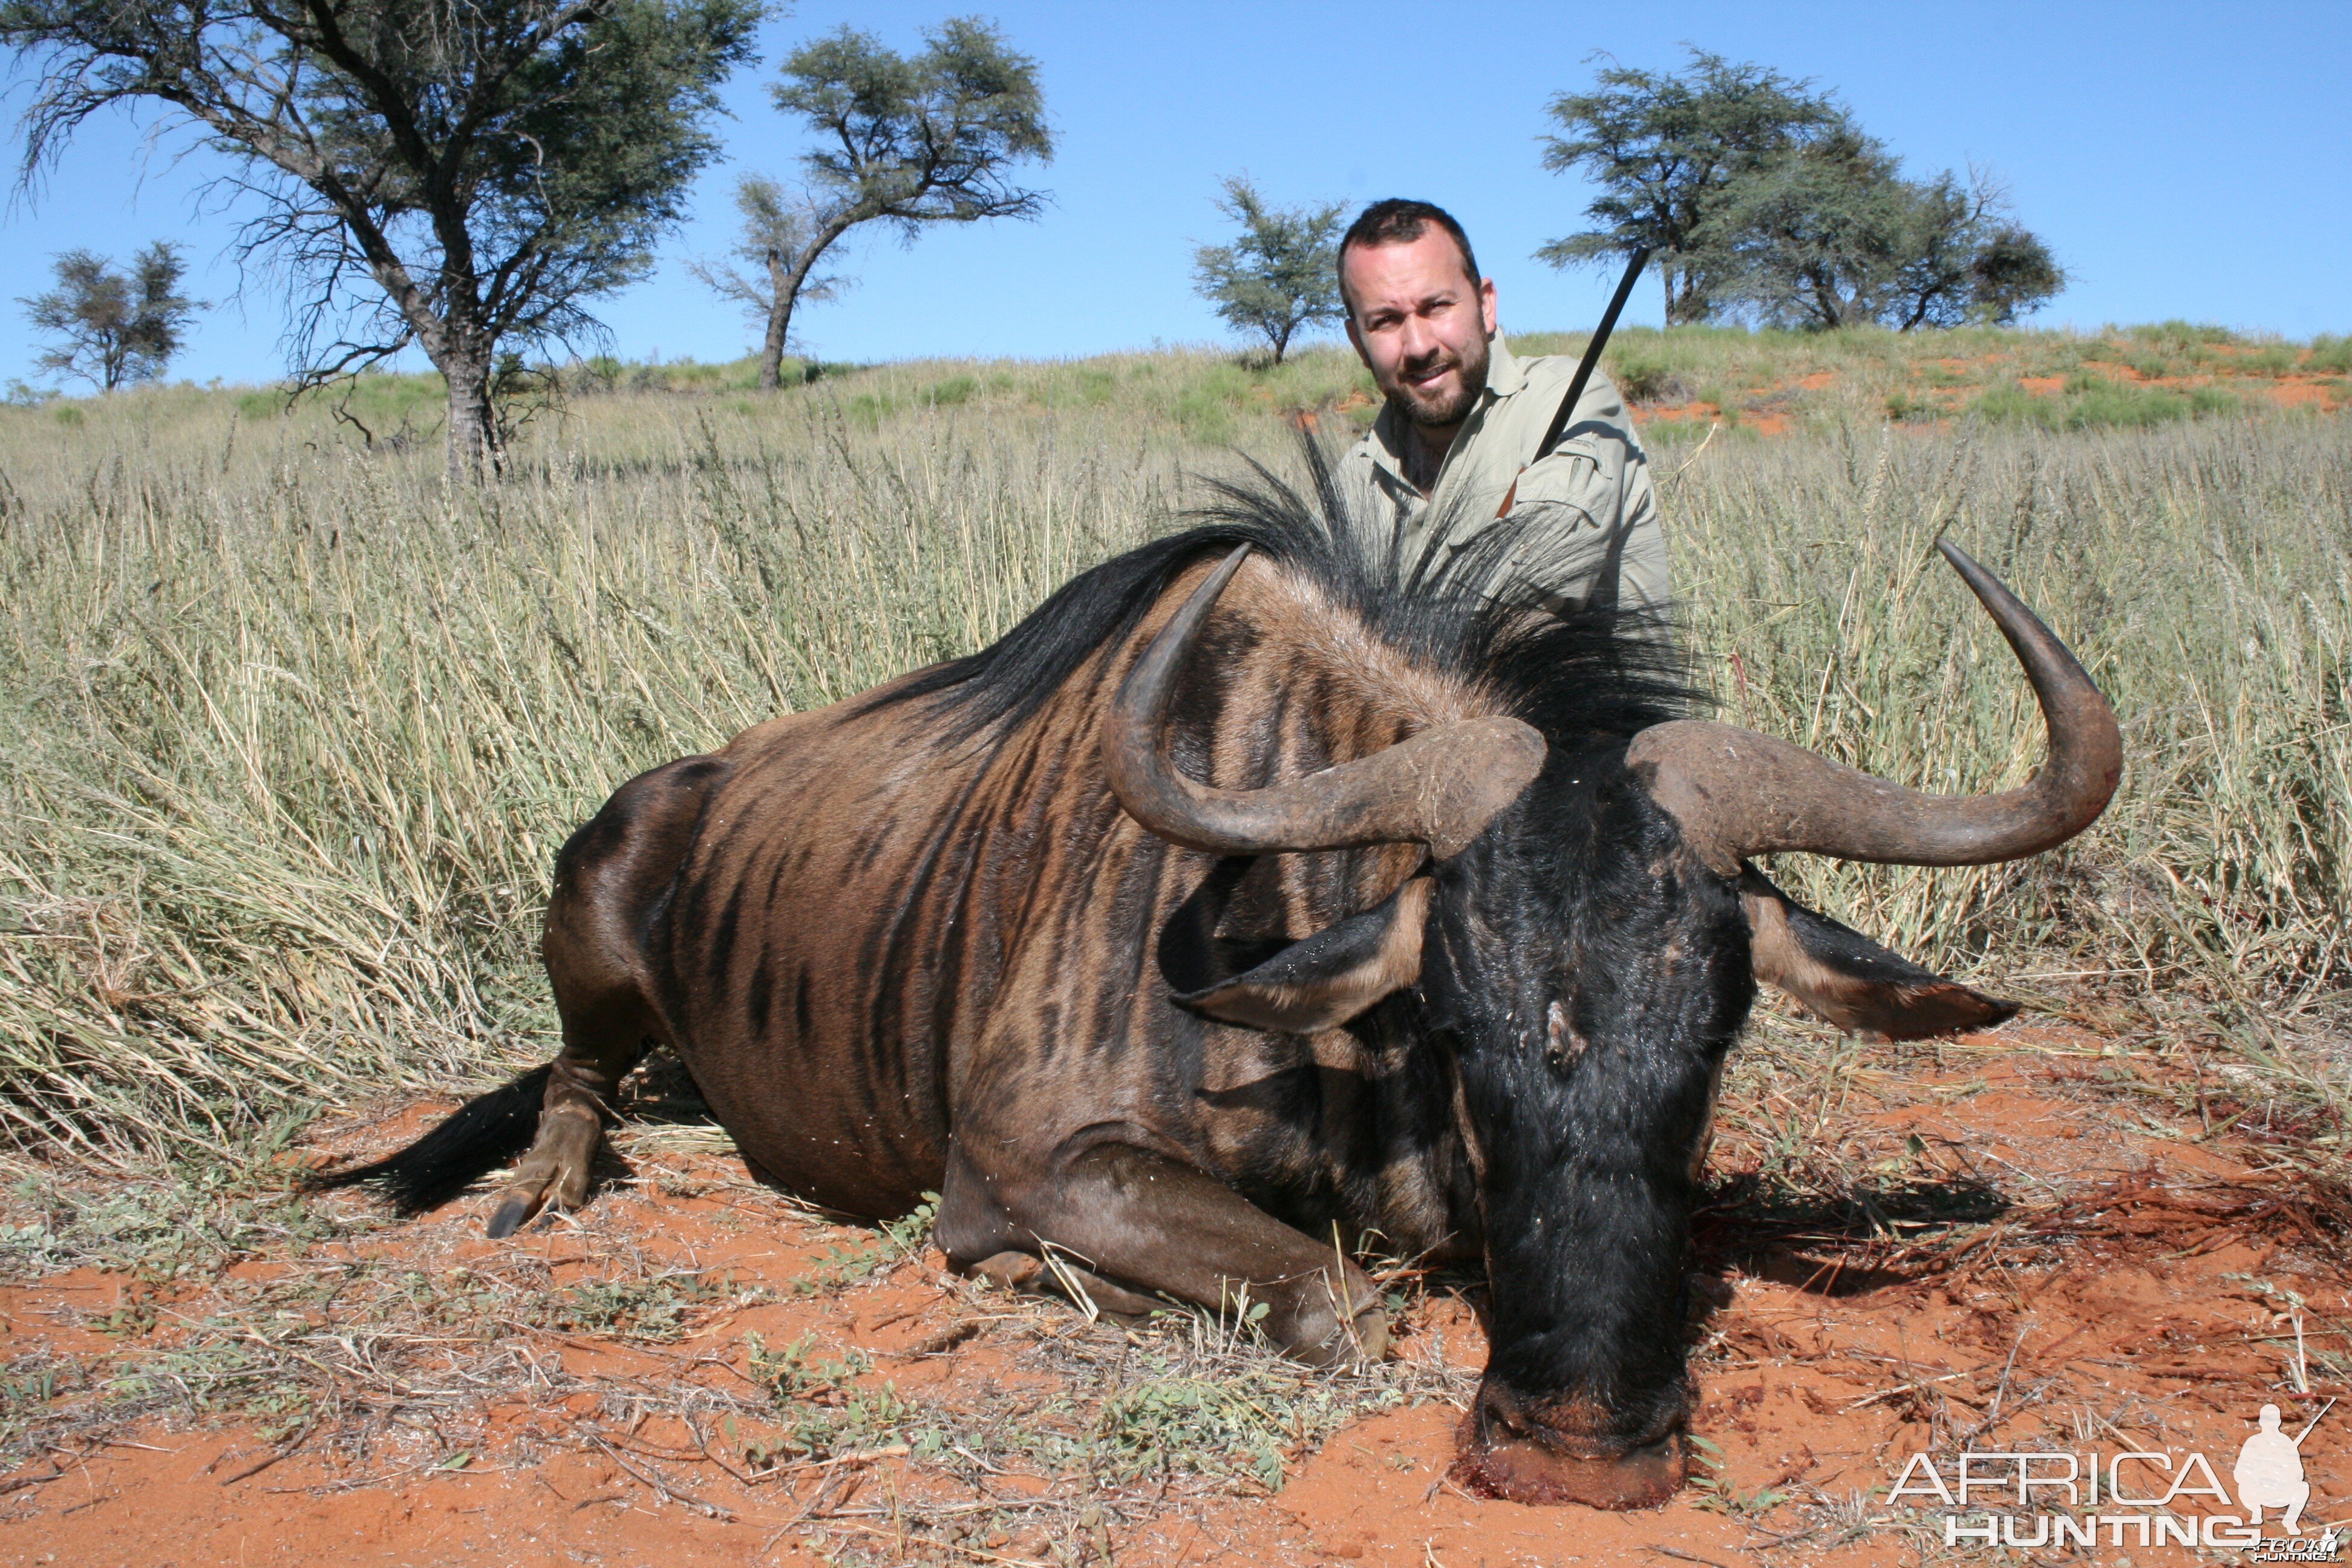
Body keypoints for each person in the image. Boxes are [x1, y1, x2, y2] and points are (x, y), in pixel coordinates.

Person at [1333, 198, 1669, 615]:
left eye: (1436, 306)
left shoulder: (1570, 398)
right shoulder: (1354, 477)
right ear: (1358, 343)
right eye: (1385, 321)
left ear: (1486, 304)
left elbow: (1532, 601)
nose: (1418, 346)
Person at [2234, 1403, 2313, 1534]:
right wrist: (2259, 1474)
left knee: (2303, 1487)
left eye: (2273, 1420)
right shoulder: (2253, 1442)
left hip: (2279, 1491)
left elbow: (2299, 1474)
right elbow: (2240, 1473)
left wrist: (2283, 1472)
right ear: (2261, 1422)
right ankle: (2256, 1512)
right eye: (2267, 1420)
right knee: (2244, 1486)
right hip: (2257, 1492)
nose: (2270, 1424)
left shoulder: (2287, 1443)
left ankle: (2290, 1521)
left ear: (2278, 1422)